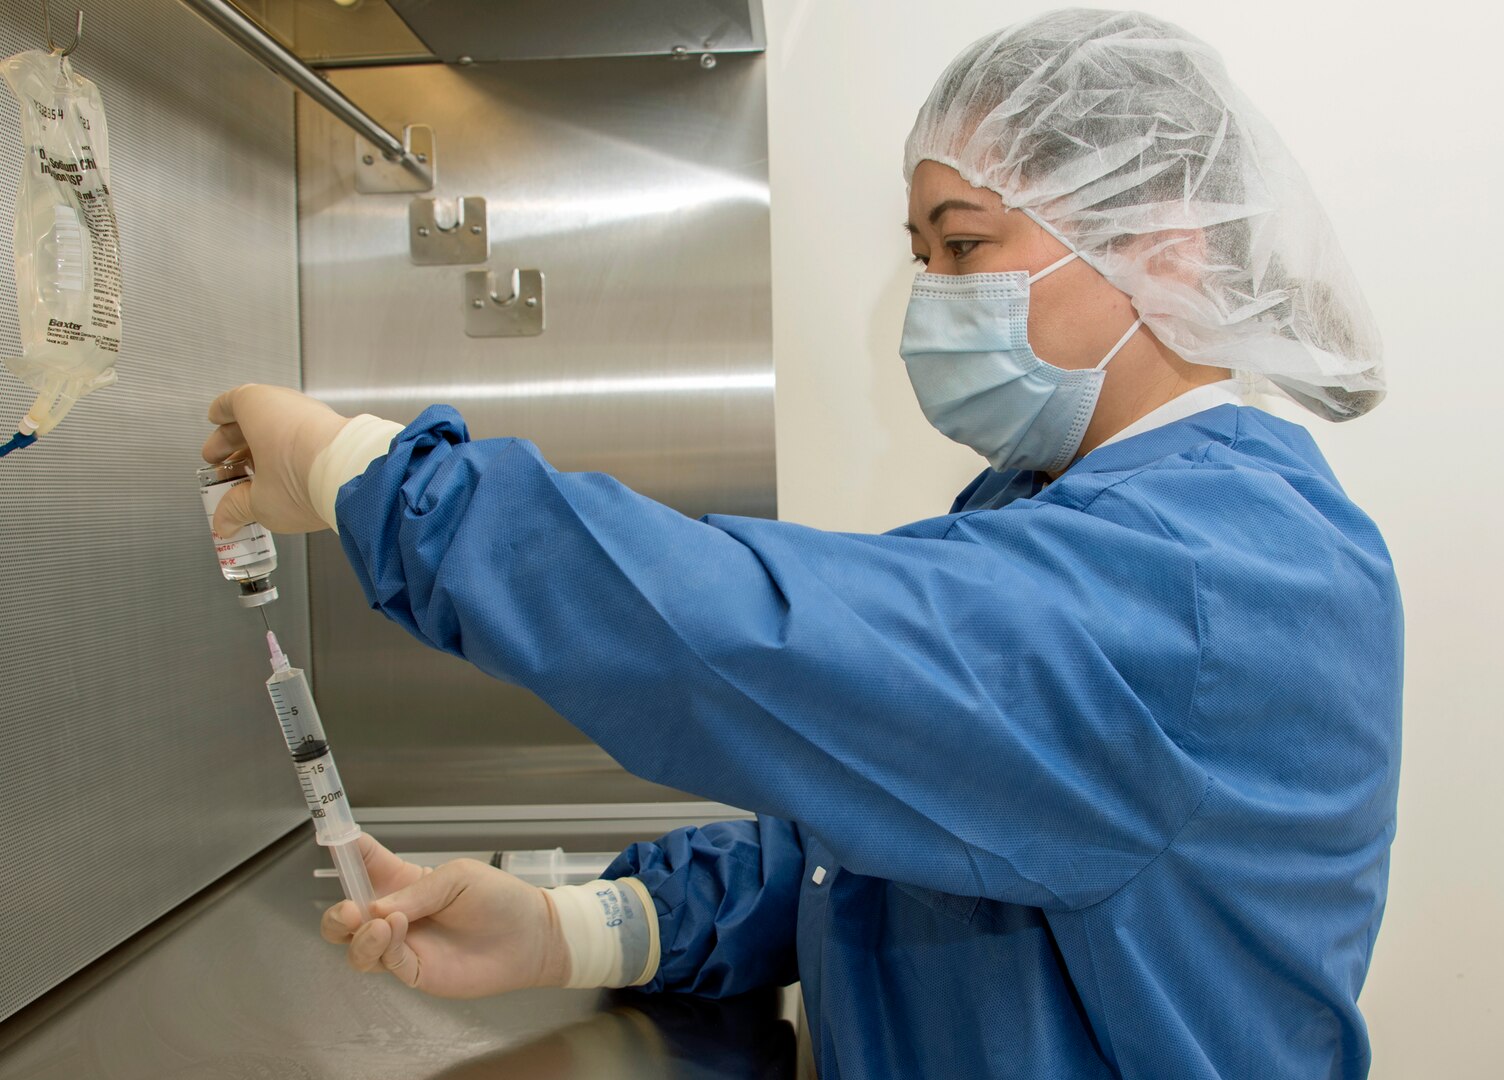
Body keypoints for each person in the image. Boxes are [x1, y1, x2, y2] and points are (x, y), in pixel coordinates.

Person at [203, 10, 1401, 1078]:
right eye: (920, 251)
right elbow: (880, 832)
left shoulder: (1214, 580)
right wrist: (576, 928)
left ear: (1166, 244)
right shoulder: (1044, 501)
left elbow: (750, 638)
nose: (928, 292)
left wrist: (363, 474)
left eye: (964, 245)